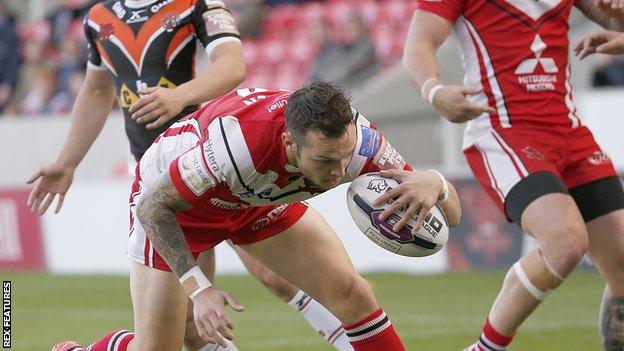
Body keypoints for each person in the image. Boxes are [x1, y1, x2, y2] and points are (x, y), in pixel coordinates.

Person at [26, 1, 353, 350]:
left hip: (212, 163)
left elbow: (232, 65)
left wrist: (178, 97)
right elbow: (95, 90)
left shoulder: (198, 5)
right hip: (156, 181)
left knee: (276, 276)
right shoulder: (98, 18)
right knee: (190, 326)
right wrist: (66, 162)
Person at [50, 82, 462, 351]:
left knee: (352, 293)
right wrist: (199, 288)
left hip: (255, 202)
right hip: (175, 207)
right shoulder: (237, 145)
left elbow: (453, 217)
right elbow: (153, 208)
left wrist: (437, 184)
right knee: (165, 346)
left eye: (344, 158)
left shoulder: (363, 146)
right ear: (289, 142)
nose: (339, 173)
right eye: (324, 161)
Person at [403, 1, 624, 350]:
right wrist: (434, 91)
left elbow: (613, 16)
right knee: (565, 242)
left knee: (622, 258)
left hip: (569, 131)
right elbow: (418, 44)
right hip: (504, 130)